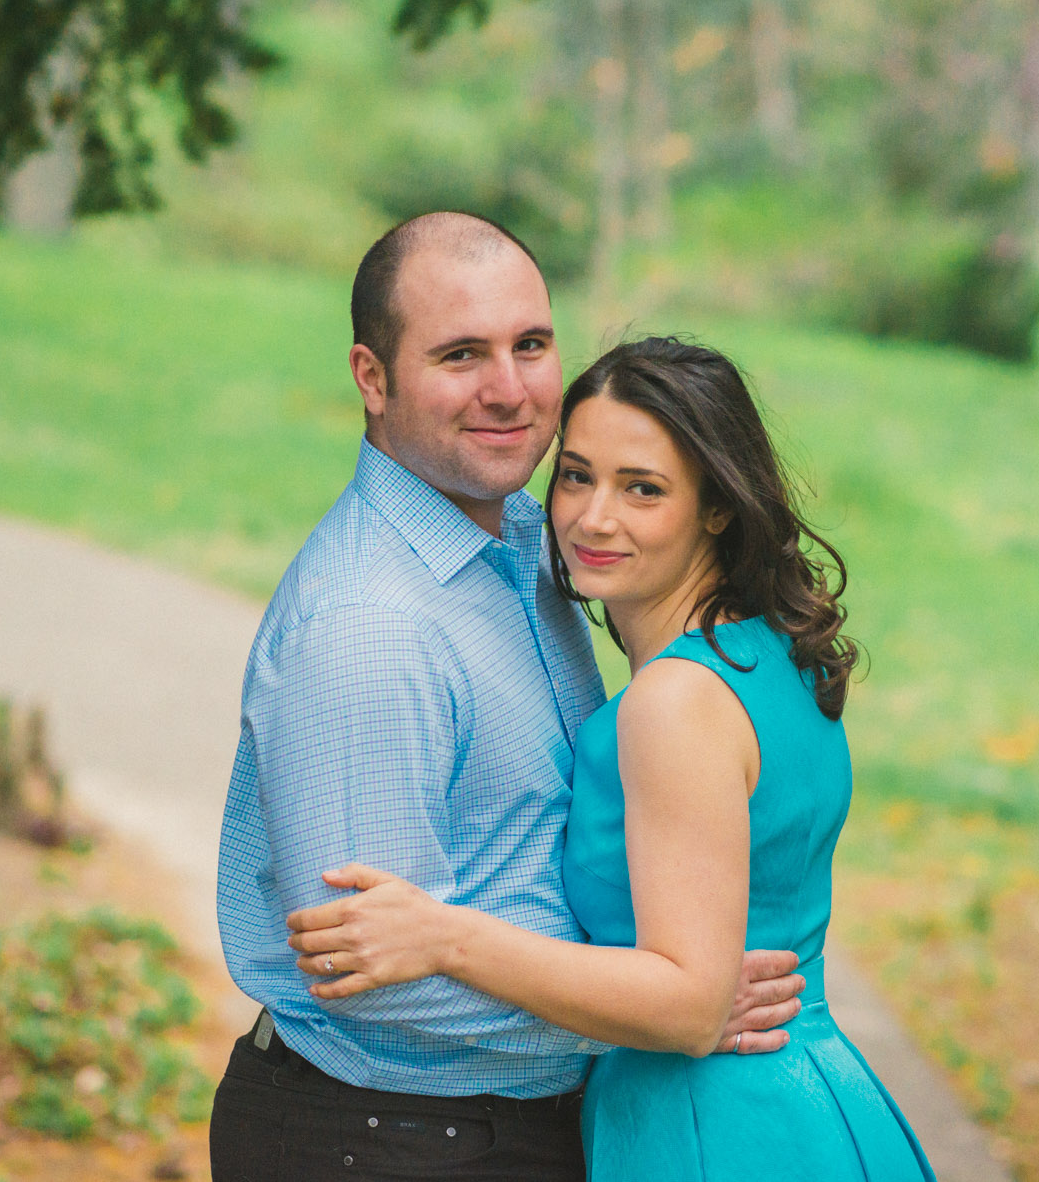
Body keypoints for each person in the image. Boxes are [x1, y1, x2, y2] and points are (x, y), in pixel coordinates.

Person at [210, 215, 805, 1182]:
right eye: (460, 355)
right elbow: (365, 980)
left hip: (498, 1131)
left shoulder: (532, 540)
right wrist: (654, 1010)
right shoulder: (369, 628)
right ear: (372, 377)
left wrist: (665, 995)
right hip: (381, 1141)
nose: (510, 388)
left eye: (530, 345)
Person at [285, 336, 936, 1180]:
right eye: (577, 474)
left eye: (643, 489)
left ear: (717, 507)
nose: (593, 516)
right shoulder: (770, 652)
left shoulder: (674, 701)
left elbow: (690, 1004)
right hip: (810, 1095)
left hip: (712, 1126)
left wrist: (444, 936)